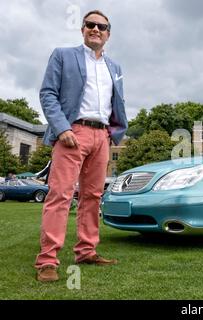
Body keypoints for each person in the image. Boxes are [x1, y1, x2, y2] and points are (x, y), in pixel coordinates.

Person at [35, 10, 128, 282]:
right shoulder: (63, 55)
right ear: (83, 29)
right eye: (90, 24)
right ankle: (47, 260)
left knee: (93, 197)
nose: (95, 29)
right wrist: (62, 127)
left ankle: (86, 250)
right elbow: (48, 93)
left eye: (101, 26)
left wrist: (113, 134)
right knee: (60, 195)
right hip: (72, 132)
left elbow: (118, 102)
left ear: (108, 33)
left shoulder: (115, 67)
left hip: (102, 137)